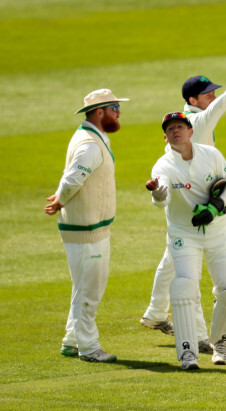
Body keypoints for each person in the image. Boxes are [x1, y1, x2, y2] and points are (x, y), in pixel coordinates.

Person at [141, 62, 226, 354]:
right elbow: (215, 111)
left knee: (172, 261)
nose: (212, 96)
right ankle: (198, 336)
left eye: (214, 92)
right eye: (207, 93)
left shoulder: (189, 120)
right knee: (187, 278)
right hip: (187, 200)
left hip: (192, 201)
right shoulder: (195, 121)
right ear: (192, 100)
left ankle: (155, 313)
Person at [45, 88, 129, 363]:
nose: (119, 112)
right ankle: (89, 346)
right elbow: (71, 180)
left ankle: (72, 340)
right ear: (100, 111)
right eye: (115, 107)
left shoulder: (95, 137)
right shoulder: (90, 145)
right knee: (90, 290)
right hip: (86, 231)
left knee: (84, 287)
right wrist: (60, 200)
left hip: (91, 228)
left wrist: (60, 197)